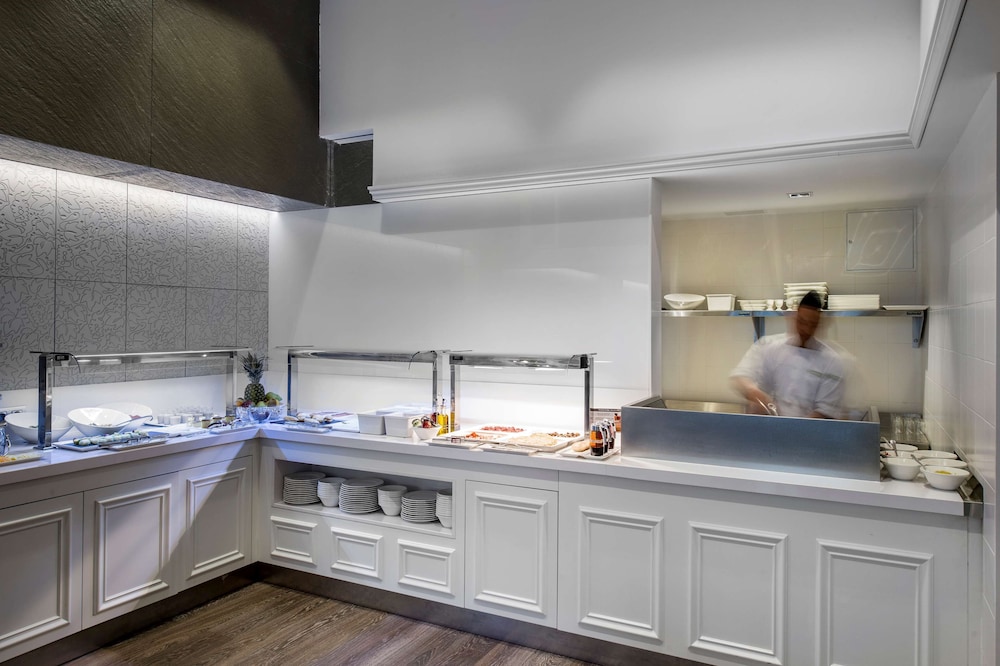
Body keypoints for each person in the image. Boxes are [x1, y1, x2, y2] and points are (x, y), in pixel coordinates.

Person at [729, 290, 845, 418]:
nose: (806, 329)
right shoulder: (769, 346)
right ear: (793, 317)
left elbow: (825, 411)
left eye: (812, 324)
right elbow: (740, 376)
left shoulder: (831, 361)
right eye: (802, 322)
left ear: (820, 324)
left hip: (809, 428)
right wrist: (754, 393)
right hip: (769, 424)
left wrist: (791, 427)